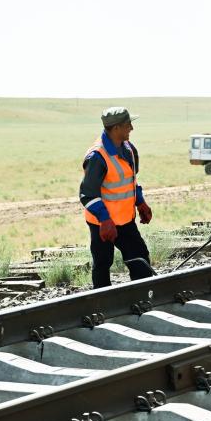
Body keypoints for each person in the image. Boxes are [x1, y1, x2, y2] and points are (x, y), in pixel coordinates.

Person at [80, 107, 154, 288]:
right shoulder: (97, 156)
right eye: (128, 125)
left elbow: (130, 181)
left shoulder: (129, 149)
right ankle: (102, 300)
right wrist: (105, 220)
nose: (132, 128)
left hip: (125, 220)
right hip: (102, 224)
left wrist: (140, 202)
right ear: (116, 128)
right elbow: (88, 194)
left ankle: (142, 298)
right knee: (103, 263)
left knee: (140, 259)